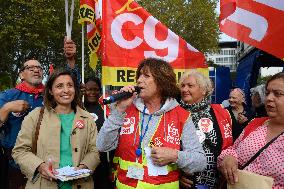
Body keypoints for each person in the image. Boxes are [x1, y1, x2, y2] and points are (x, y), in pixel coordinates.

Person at [96, 58, 206, 189]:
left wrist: (175, 156)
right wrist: (119, 110)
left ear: (162, 82)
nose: (139, 80)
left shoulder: (181, 116)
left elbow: (200, 162)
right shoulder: (126, 108)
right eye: (140, 75)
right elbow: (102, 146)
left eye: (146, 76)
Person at [0, 38, 78, 189]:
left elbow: (72, 85)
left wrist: (71, 60)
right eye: (30, 68)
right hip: (16, 165)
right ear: (21, 74)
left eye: (39, 67)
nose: (36, 70)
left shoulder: (52, 95)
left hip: (50, 162)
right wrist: (6, 108)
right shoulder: (7, 96)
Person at [12, 69, 100, 189]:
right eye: (59, 86)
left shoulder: (87, 118)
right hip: (43, 184)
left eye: (70, 85)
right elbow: (20, 151)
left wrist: (84, 166)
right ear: (50, 91)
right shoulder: (36, 116)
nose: (66, 90)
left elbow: (95, 150)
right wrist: (40, 166)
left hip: (81, 184)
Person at [217, 72, 284, 188]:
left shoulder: (250, 113)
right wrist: (228, 158)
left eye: (277, 94)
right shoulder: (256, 124)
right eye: (267, 93)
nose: (268, 98)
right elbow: (232, 149)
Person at [178, 70, 233, 189]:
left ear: (203, 90)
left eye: (190, 85)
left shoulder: (221, 112)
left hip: (217, 183)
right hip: (187, 183)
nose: (184, 89)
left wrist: (230, 158)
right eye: (182, 85)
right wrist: (175, 175)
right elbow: (167, 148)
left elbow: (229, 147)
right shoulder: (174, 113)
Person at [83, 76, 114, 189]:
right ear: (83, 90)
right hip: (83, 161)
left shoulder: (105, 108)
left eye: (95, 89)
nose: (92, 92)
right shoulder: (79, 107)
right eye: (88, 89)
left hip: (104, 161)